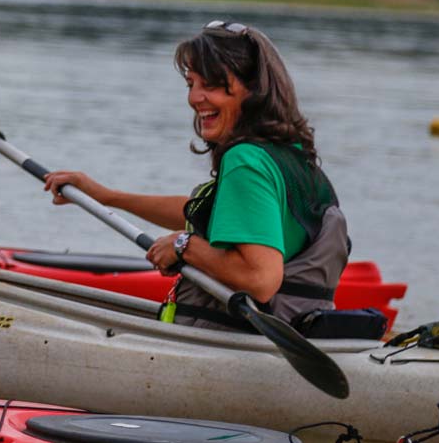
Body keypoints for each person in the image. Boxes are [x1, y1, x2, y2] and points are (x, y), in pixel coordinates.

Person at [43, 21, 348, 332]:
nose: (195, 98)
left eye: (212, 85)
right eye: (191, 84)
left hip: (235, 344)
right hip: (294, 330)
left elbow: (261, 280)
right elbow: (206, 212)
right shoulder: (291, 155)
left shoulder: (245, 161)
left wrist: (184, 245)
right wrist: (106, 197)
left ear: (253, 90)